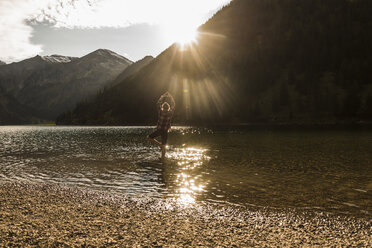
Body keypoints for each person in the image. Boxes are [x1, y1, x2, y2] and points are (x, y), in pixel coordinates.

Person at [147, 91, 175, 159]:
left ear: (162, 107)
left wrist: (162, 96)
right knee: (164, 145)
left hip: (159, 130)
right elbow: (173, 105)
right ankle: (163, 158)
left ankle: (159, 145)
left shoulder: (160, 112)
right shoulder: (170, 113)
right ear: (168, 108)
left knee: (149, 138)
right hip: (165, 131)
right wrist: (171, 97)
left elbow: (158, 103)